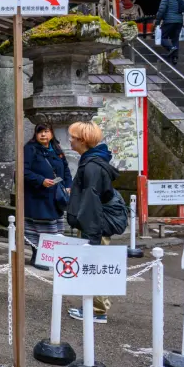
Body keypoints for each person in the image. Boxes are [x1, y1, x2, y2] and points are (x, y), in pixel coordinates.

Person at [66, 121, 119, 324]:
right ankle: (95, 307)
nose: (69, 140)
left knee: (94, 263)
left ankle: (96, 310)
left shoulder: (91, 166)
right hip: (95, 222)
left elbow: (92, 200)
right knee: (95, 263)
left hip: (94, 224)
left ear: (82, 140)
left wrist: (90, 231)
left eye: (72, 137)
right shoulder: (93, 161)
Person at [23, 123, 72, 269]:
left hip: (55, 196)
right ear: (35, 134)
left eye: (46, 131)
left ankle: (49, 256)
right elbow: (23, 171)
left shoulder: (57, 149)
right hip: (37, 196)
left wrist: (68, 185)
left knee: (53, 227)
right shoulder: (30, 149)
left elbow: (66, 169)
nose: (43, 135)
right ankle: (37, 257)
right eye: (40, 132)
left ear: (51, 133)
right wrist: (41, 180)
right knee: (39, 227)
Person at [155, 0, 184, 66]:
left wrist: (157, 22)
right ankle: (174, 58)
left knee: (162, 37)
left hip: (169, 21)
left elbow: (161, 11)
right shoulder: (180, 0)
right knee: (175, 39)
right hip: (179, 22)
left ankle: (171, 48)